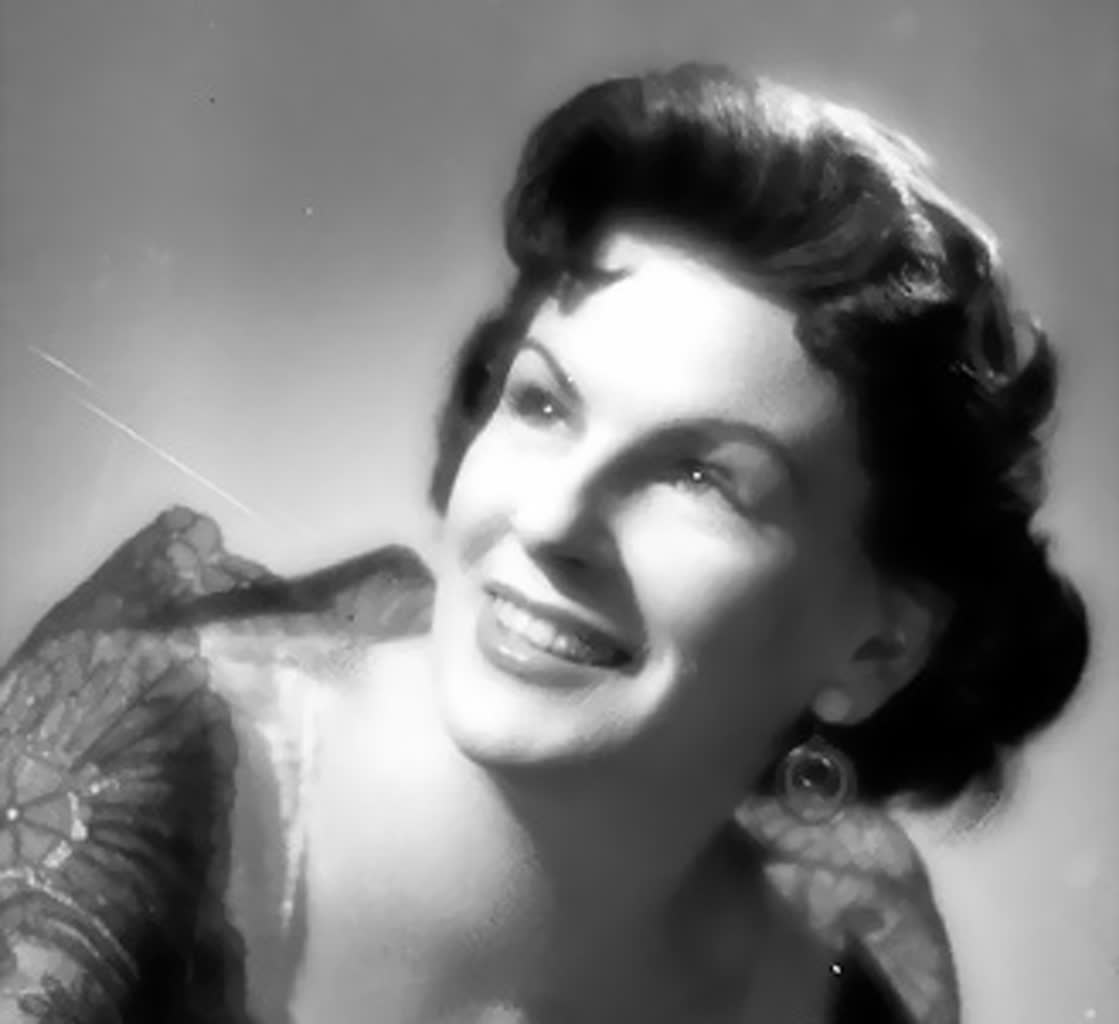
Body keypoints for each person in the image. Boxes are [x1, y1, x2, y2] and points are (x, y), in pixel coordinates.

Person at [0, 63, 1090, 1024]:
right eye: (542, 404)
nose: (555, 519)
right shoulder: (128, 772)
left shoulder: (831, 968)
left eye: (701, 477)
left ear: (876, 650)